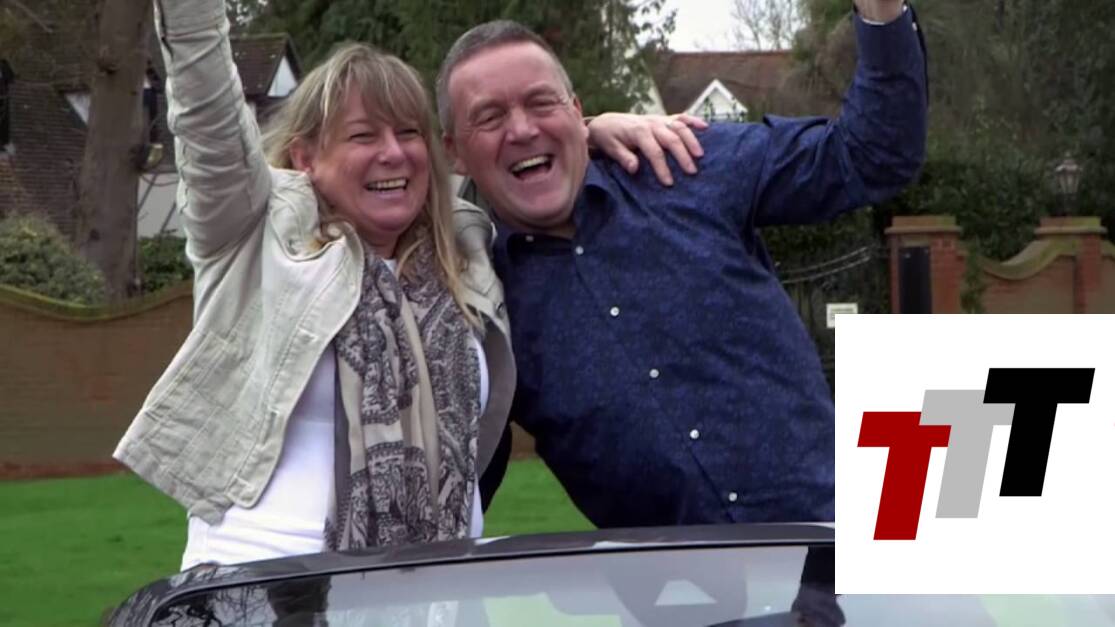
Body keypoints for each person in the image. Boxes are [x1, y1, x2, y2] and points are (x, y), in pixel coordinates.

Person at [114, 0, 704, 569]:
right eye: (363, 136)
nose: (393, 154)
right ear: (306, 157)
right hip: (270, 590)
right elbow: (206, 112)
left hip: (436, 595)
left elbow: (518, 157)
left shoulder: (467, 251)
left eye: (408, 132)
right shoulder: (251, 232)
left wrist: (588, 128)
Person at [439, 0, 928, 527]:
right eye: (489, 117)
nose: (521, 129)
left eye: (541, 102)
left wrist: (880, 12)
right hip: (679, 581)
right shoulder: (476, 309)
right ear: (453, 152)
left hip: (841, 545)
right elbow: (456, 491)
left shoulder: (687, 162)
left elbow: (872, 156)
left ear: (576, 112)